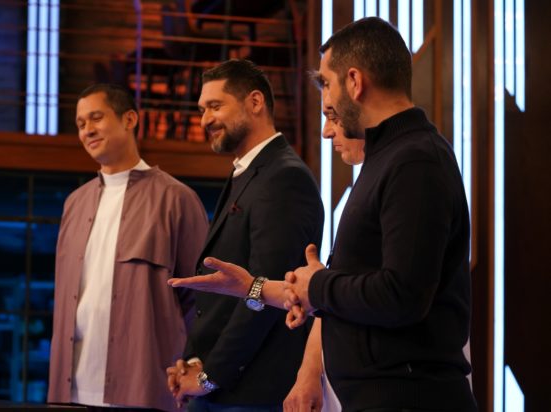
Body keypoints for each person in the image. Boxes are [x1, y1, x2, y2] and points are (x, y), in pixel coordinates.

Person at [169, 17, 478, 412]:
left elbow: (402, 295)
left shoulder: (415, 160)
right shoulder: (388, 157)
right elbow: (349, 282)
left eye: (327, 84)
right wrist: (252, 287)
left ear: (355, 81)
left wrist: (316, 286)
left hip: (409, 397)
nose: (327, 119)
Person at [166, 59, 324, 411]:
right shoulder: (250, 170)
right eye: (202, 109)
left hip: (252, 391)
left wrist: (210, 378)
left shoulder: (284, 177)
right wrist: (194, 361)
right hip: (225, 387)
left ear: (255, 102)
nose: (205, 119)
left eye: (215, 106)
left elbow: (263, 293)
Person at [48, 83, 209, 412]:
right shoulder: (74, 204)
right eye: (80, 124)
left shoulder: (176, 198)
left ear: (129, 119)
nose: (87, 130)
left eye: (96, 118)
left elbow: (201, 297)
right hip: (70, 388)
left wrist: (196, 365)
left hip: (145, 387)